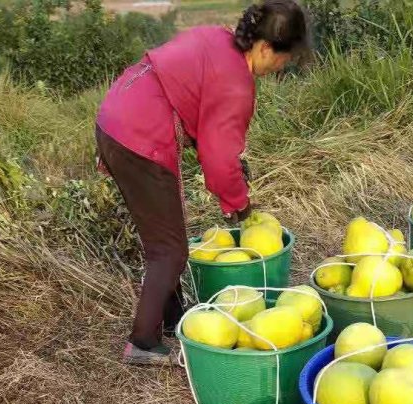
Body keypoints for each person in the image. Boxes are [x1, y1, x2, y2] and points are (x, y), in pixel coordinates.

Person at [96, 1, 309, 366]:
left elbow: (190, 99)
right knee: (171, 250)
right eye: (283, 60)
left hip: (115, 119)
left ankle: (172, 317)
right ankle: (142, 343)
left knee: (162, 236)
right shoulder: (237, 86)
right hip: (139, 135)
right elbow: (219, 161)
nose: (279, 69)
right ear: (263, 48)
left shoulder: (216, 39)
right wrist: (240, 207)